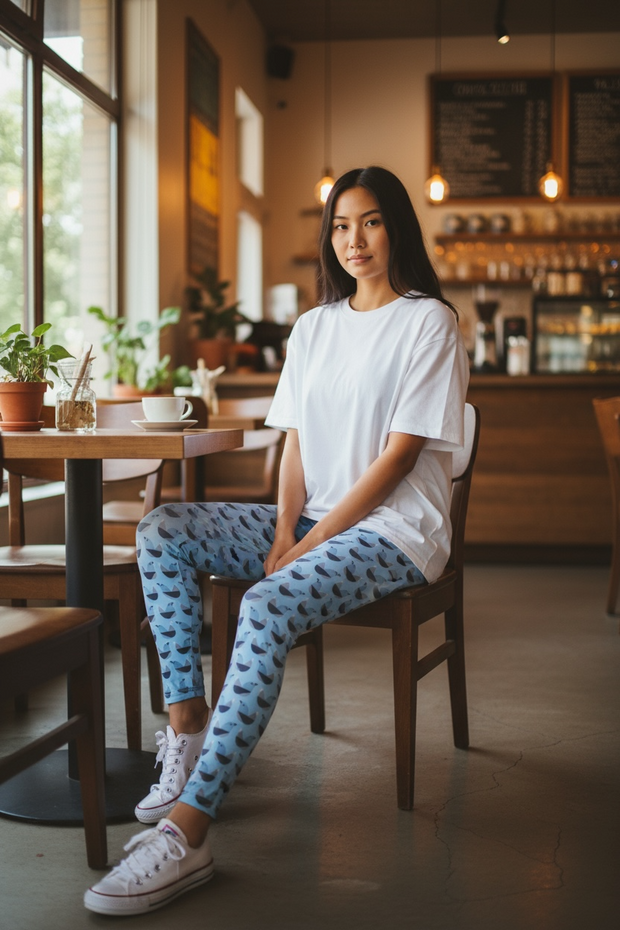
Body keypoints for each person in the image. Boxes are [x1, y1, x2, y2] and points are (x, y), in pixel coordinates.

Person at [84, 166, 469, 916]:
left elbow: (397, 458)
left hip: (394, 531)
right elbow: (294, 445)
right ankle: (188, 724)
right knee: (162, 528)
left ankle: (188, 834)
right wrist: (286, 527)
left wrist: (311, 542)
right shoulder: (315, 327)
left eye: (372, 222)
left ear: (398, 228)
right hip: (313, 517)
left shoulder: (429, 320)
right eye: (341, 226)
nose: (354, 240)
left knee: (264, 606)